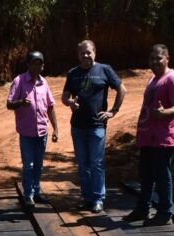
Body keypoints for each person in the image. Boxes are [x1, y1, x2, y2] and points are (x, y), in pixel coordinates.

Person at [62, 40, 125, 213]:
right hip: (78, 127)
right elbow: (65, 96)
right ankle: (86, 197)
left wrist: (113, 111)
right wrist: (70, 103)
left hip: (97, 126)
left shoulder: (105, 69)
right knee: (83, 164)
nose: (85, 56)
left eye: (88, 52)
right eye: (82, 53)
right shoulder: (73, 73)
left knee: (96, 163)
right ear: (78, 55)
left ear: (95, 52)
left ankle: (98, 199)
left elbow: (122, 89)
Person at [125, 44, 174, 225]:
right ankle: (143, 209)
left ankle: (165, 214)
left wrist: (163, 113)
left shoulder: (173, 79)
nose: (155, 61)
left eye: (159, 58)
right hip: (149, 136)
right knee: (146, 174)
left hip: (164, 137)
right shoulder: (152, 79)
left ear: (167, 58)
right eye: (152, 58)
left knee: (161, 175)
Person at [7, 51, 59, 208]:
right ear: (28, 64)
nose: (37, 66)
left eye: (40, 63)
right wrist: (20, 102)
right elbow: (9, 104)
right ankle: (28, 194)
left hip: (42, 132)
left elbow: (50, 106)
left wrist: (56, 129)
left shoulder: (44, 83)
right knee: (28, 165)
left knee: (38, 164)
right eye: (34, 63)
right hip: (27, 133)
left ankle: (37, 192)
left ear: (43, 65)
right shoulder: (19, 81)